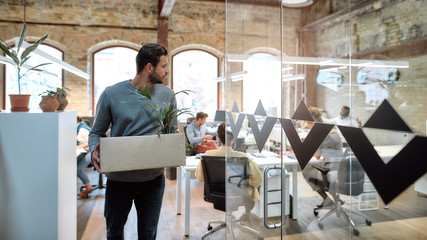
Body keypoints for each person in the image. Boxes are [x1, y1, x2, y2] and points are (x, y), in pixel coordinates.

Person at [89, 43, 177, 240]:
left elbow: (173, 132)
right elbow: (96, 132)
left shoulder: (168, 95)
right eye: (164, 66)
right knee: (114, 232)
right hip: (119, 180)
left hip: (153, 180)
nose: (167, 70)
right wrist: (93, 151)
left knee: (148, 235)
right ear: (149, 67)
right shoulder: (111, 94)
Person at [195, 123, 263, 220]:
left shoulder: (208, 155)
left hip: (216, 194)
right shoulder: (243, 157)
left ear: (218, 137)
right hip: (239, 195)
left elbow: (200, 177)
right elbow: (258, 180)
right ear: (233, 139)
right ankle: (247, 214)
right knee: (253, 186)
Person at [302, 107, 344, 208]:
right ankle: (337, 200)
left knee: (306, 171)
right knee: (318, 171)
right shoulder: (332, 130)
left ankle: (327, 200)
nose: (308, 127)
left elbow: (317, 155)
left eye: (308, 124)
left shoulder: (320, 133)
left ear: (313, 122)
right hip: (340, 169)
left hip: (330, 169)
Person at [76, 116, 93, 198]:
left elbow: (90, 142)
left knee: (78, 169)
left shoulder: (82, 129)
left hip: (92, 151)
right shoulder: (79, 127)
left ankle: (88, 187)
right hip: (85, 151)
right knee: (73, 164)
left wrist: (77, 147)